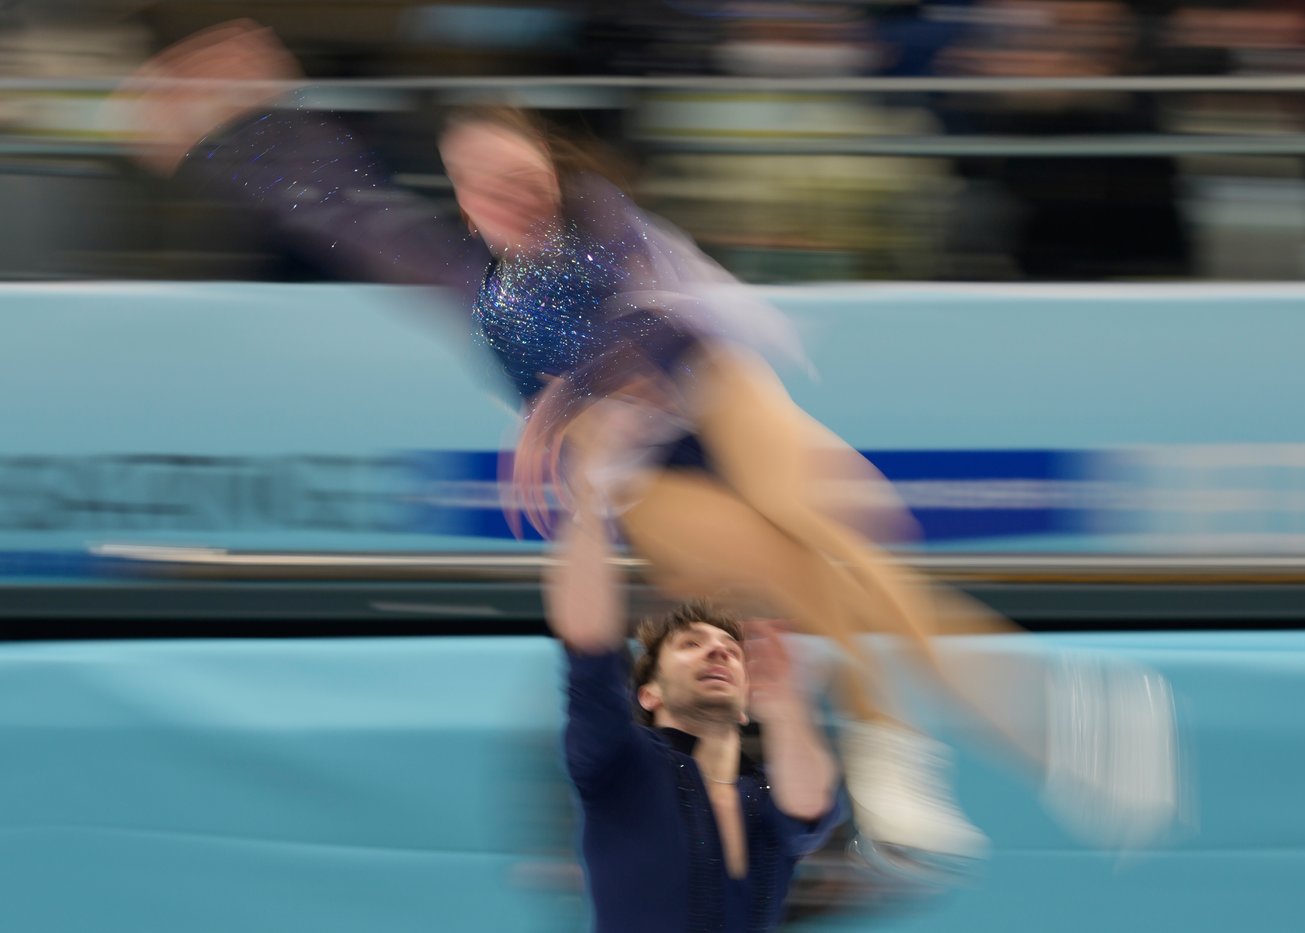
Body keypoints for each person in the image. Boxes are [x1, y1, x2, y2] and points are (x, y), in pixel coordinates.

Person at [117, 19, 1181, 871]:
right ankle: (907, 761)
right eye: (471, 183)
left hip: (712, 394)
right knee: (811, 590)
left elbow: (657, 338)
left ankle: (1033, 728)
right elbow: (342, 212)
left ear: (548, 166)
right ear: (463, 200)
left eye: (512, 170)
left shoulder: (605, 224)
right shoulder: (478, 290)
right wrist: (241, 125)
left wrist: (574, 392)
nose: (495, 194)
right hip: (647, 471)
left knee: (840, 537)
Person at [545, 466, 843, 931]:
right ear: (649, 693)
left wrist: (786, 704)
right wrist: (590, 502)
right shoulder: (621, 764)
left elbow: (809, 805)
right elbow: (588, 643)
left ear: (746, 702)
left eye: (730, 649)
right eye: (690, 644)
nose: (717, 650)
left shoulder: (764, 794)